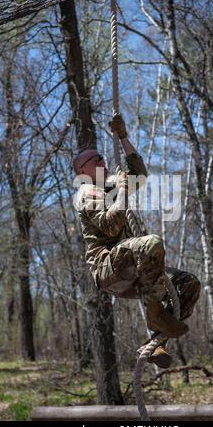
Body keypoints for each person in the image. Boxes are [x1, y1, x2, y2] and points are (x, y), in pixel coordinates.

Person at [73, 115, 200, 368]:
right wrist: (121, 190)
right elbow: (111, 224)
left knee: (188, 284)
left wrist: (123, 137)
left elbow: (139, 173)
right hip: (108, 268)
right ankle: (154, 317)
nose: (103, 161)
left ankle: (156, 342)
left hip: (132, 267)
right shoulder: (86, 192)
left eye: (103, 157)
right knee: (151, 243)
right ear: (82, 170)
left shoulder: (110, 185)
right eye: (96, 159)